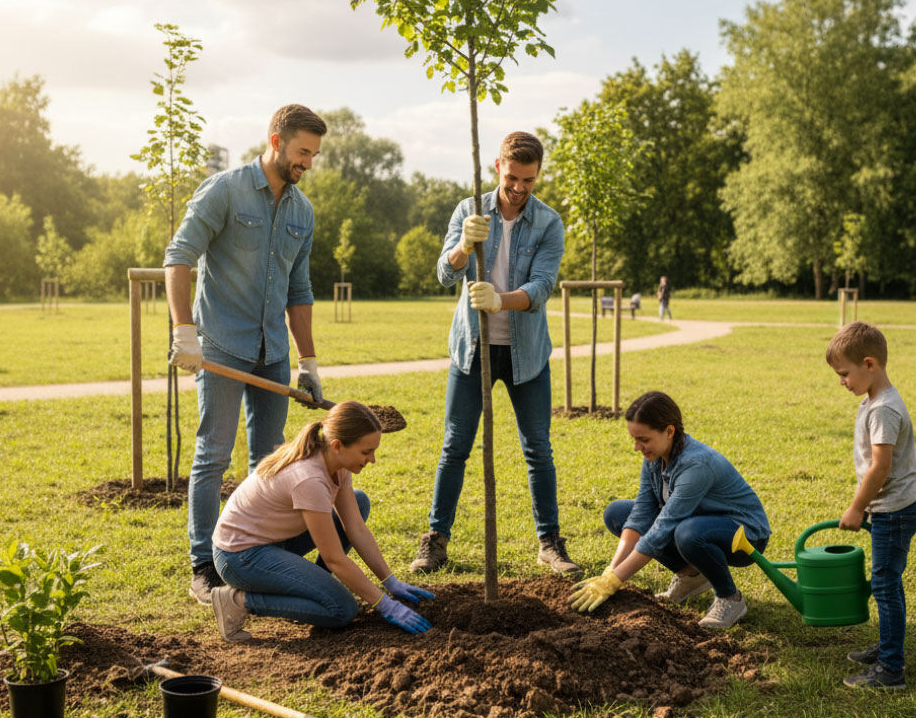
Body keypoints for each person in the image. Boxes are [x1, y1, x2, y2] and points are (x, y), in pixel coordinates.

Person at [164, 104, 328, 606]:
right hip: (220, 343)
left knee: (270, 459)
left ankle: (257, 554)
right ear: (275, 141)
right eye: (302, 152)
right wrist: (184, 330)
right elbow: (179, 256)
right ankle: (203, 565)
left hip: (272, 352)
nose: (307, 163)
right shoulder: (224, 190)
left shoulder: (302, 212)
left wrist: (307, 362)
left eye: (314, 155)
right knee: (212, 455)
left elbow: (299, 291)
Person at [409, 131, 579, 576]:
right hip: (472, 350)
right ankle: (436, 540)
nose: (519, 188)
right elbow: (444, 274)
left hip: (527, 355)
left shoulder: (548, 223)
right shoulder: (469, 209)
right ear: (498, 167)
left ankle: (549, 543)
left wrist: (501, 300)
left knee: (538, 449)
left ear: (538, 174)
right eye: (512, 178)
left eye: (529, 180)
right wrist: (464, 246)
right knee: (455, 446)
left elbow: (542, 287)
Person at [209, 401, 433, 642]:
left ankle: (314, 589)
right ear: (337, 446)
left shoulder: (336, 462)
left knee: (358, 501)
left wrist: (390, 581)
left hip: (272, 540)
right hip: (240, 556)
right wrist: (386, 604)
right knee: (341, 609)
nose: (373, 459)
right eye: (366, 452)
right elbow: (334, 558)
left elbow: (355, 527)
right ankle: (236, 601)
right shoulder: (309, 479)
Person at [571, 391, 771, 630]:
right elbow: (642, 512)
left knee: (687, 533)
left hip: (744, 536)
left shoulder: (696, 464)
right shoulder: (655, 455)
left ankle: (730, 598)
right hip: (694, 524)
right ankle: (692, 577)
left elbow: (663, 527)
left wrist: (615, 580)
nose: (637, 447)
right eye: (634, 439)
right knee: (618, 513)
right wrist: (611, 571)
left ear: (669, 431)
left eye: (643, 439)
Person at [825, 321, 916, 690]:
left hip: (895, 510)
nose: (841, 382)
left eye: (844, 373)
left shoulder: (884, 409)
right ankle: (887, 645)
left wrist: (856, 507)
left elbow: (880, 467)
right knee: (888, 582)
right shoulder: (873, 401)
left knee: (884, 584)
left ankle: (891, 669)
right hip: (890, 507)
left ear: (869, 364)